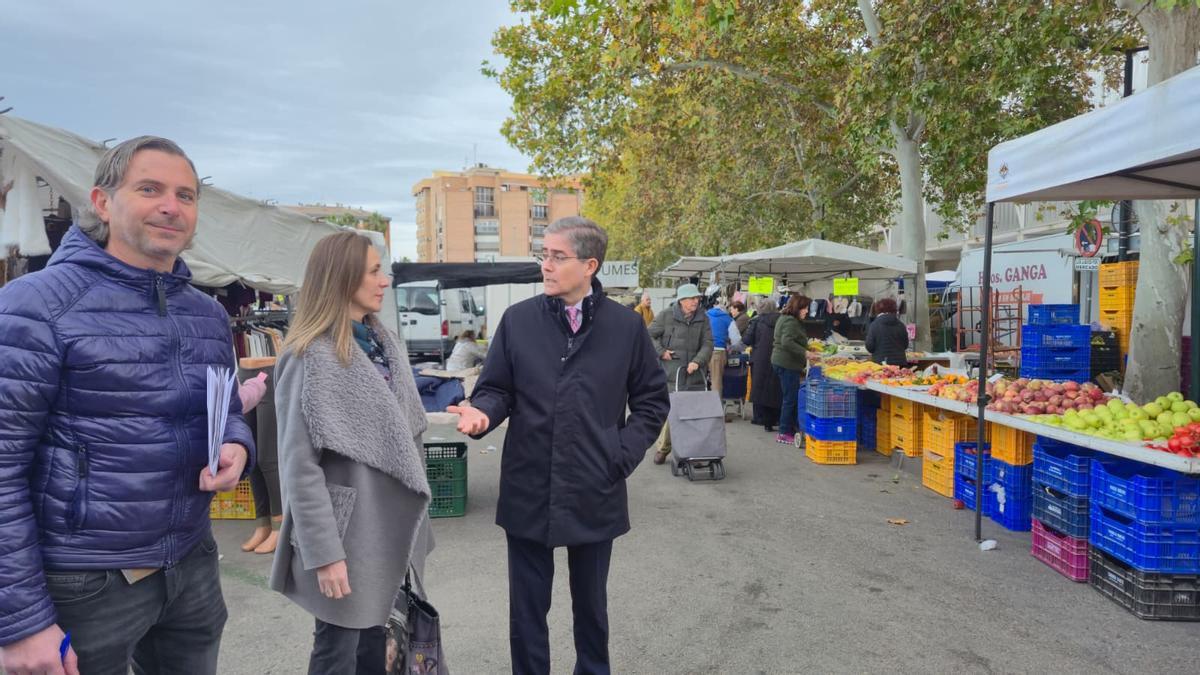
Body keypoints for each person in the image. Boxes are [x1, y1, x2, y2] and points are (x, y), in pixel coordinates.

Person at [0, 136, 255, 675]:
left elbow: (227, 408)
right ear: (101, 202)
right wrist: (20, 622)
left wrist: (237, 444)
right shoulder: (38, 305)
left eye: (186, 195)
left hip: (191, 566)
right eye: (150, 189)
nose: (171, 206)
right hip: (85, 583)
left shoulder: (207, 314)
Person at [447, 216, 668, 675]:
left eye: (556, 256)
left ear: (590, 265)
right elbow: (498, 388)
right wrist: (482, 411)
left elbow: (651, 401)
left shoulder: (625, 327)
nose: (545, 265)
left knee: (591, 610)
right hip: (529, 484)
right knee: (526, 614)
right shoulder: (518, 321)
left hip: (595, 485)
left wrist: (620, 455)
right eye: (542, 255)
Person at [268, 231, 436, 673]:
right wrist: (324, 554)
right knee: (336, 654)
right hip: (346, 536)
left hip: (391, 525)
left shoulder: (384, 344)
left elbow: (403, 432)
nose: (386, 280)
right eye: (375, 271)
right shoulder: (307, 356)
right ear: (343, 279)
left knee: (381, 648)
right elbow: (298, 466)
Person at [648, 283, 713, 464]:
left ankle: (692, 451)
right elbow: (647, 335)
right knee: (674, 412)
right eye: (692, 298)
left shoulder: (703, 318)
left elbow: (708, 343)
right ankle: (664, 448)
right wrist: (661, 351)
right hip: (672, 373)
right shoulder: (666, 316)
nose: (696, 301)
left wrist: (697, 361)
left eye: (697, 298)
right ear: (682, 300)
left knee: (693, 414)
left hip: (695, 374)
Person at [771, 295, 812, 446]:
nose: (807, 311)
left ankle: (789, 428)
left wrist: (806, 348)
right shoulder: (790, 321)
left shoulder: (787, 318)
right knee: (790, 399)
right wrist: (805, 352)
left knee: (790, 397)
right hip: (787, 363)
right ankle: (783, 432)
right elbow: (786, 341)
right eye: (805, 308)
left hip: (784, 362)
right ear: (797, 307)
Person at [742, 298, 783, 432]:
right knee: (775, 388)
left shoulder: (756, 321)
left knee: (759, 387)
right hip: (778, 357)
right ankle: (776, 418)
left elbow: (747, 340)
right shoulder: (782, 320)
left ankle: (762, 419)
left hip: (759, 358)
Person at [866, 297, 910, 366]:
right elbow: (905, 345)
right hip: (900, 364)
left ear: (878, 309)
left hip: (881, 365)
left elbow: (870, 347)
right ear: (894, 309)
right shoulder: (901, 325)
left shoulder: (874, 325)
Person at [706, 300, 734, 392]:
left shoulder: (704, 316)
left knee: (699, 380)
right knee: (716, 381)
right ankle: (715, 405)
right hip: (718, 351)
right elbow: (736, 339)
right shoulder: (728, 319)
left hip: (701, 350)